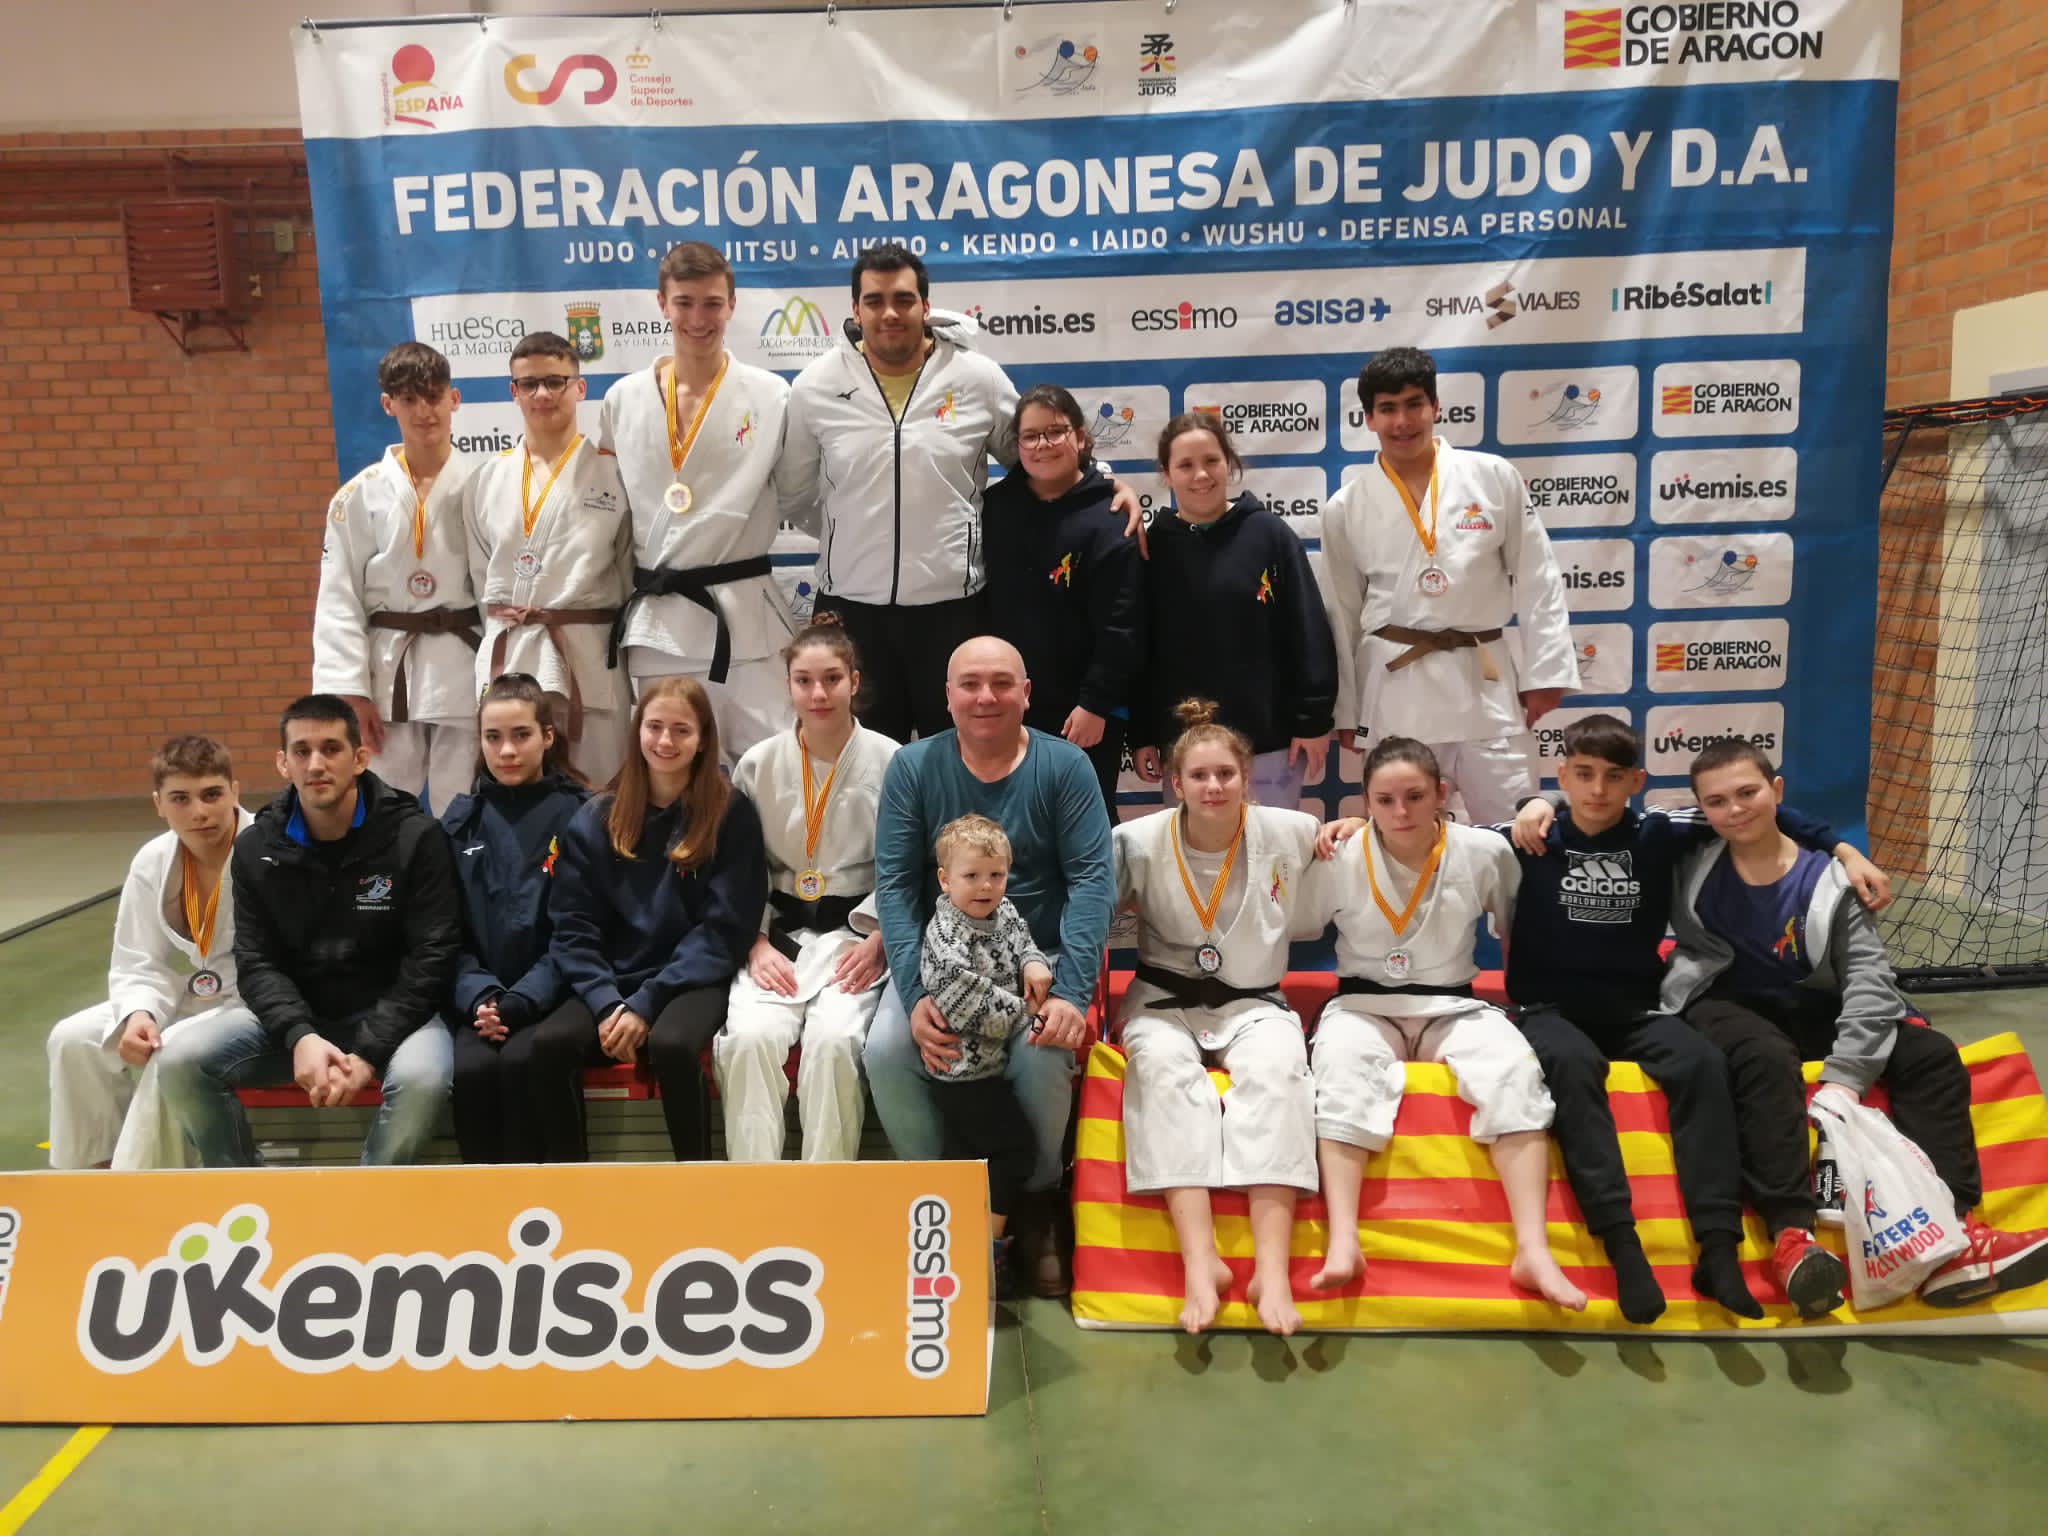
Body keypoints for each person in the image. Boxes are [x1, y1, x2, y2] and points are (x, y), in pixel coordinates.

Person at [1502, 713, 1891, 1323]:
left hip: (1635, 1007)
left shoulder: (1660, 831)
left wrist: (1841, 846)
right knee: (1575, 1070)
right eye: (1581, 775)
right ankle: (1625, 1250)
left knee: (1705, 1064)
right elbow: (1427, 832)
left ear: (1636, 781)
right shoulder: (1527, 836)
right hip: (1547, 1008)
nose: (1596, 790)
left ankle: (1718, 1250)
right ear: (1562, 775)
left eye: (1611, 777)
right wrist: (1534, 805)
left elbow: (1754, 813)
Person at [1667, 739, 2048, 1313]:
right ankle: (1792, 1237)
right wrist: (1535, 810)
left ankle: (1959, 1234)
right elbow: (1597, 813)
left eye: (1748, 793)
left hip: (1809, 1005)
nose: (1735, 810)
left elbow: (1870, 981)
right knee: (1765, 1059)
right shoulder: (1688, 853)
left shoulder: (1833, 882)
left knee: (1932, 1054)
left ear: (1777, 791)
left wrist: (1845, 1079)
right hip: (1720, 1001)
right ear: (1701, 809)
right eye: (1717, 801)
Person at [779, 244, 1138, 742]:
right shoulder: (815, 386)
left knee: (960, 761)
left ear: (925, 307)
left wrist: (1106, 484)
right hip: (852, 611)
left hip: (953, 610)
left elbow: (1040, 456)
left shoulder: (977, 378)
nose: (889, 313)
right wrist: (855, 536)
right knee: (855, 764)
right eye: (875, 300)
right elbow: (796, 495)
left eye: (903, 299)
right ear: (855, 310)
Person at [1298, 736, 1585, 1310]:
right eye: (1383, 800)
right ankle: (1344, 1240)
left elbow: (1513, 933)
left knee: (1513, 1072)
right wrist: (1331, 836)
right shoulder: (1340, 855)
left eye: (1414, 796)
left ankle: (1534, 1248)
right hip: (1362, 1004)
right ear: (1364, 802)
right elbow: (1300, 922)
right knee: (1339, 1074)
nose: (1399, 812)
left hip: (1454, 1003)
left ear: (1442, 794)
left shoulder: (1483, 851)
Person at [868, 635, 1116, 1296]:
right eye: (970, 684)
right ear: (946, 696)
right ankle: (944, 1204)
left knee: (1039, 1053)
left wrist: (1069, 992)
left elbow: (1093, 881)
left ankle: (1035, 1209)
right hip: (944, 960)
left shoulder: (1065, 768)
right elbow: (893, 886)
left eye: (1002, 683)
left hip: (1041, 962)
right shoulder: (914, 768)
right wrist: (916, 993)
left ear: (1027, 693)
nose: (986, 697)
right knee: (890, 1048)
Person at [156, 696, 460, 1166]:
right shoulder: (257, 848)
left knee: (422, 1080)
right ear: (283, 763)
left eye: (331, 748)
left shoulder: (415, 838)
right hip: (303, 1023)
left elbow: (432, 959)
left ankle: (365, 1201)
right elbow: (256, 962)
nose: (316, 764)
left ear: (360, 758)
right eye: (301, 751)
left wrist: (367, 1052)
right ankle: (245, 1192)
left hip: (397, 1018)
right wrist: (300, 1036)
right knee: (181, 1062)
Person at [1114, 700, 1323, 1335]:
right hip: (1162, 1001)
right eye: (1199, 776)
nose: (1213, 787)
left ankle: (1273, 1270)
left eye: (1225, 775)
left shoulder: (1294, 831)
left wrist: (1350, 832)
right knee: (1161, 1076)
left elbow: (1383, 846)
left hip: (1257, 1002)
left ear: (1246, 777)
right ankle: (1201, 1266)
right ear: (1173, 783)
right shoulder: (1137, 841)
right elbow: (1086, 918)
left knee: (1281, 1075)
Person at [1320, 346, 1579, 824]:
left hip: (1485, 681)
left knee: (1514, 830)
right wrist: (1346, 710)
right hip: (1395, 689)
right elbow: (1341, 611)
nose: (1403, 420)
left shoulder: (1493, 478)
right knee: (1405, 834)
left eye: (1414, 404)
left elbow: (1538, 577)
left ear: (1436, 407)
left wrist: (1547, 673)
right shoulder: (1346, 506)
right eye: (1388, 408)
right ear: (1369, 418)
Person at [542, 676, 767, 1160]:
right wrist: (606, 1003)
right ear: (637, 731)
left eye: (681, 730)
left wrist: (647, 1003)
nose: (666, 742)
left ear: (704, 738)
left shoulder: (730, 813)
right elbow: (573, 926)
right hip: (614, 978)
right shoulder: (596, 816)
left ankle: (696, 1182)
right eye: (655, 727)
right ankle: (571, 1192)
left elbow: (725, 928)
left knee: (674, 1045)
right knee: (549, 1044)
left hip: (690, 979)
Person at [600, 241, 799, 762]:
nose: (698, 317)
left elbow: (800, 493)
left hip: (747, 622)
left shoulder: (771, 395)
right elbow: (608, 517)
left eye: (712, 303)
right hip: (660, 628)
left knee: (767, 767)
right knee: (669, 778)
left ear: (732, 305)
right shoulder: (622, 399)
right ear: (661, 304)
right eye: (684, 302)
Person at [719, 617, 897, 1162]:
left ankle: (826, 1195)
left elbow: (907, 864)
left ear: (854, 682)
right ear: (789, 685)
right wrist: (752, 941)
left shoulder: (891, 761)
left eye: (832, 679)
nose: (818, 693)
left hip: (855, 937)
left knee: (835, 1043)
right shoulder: (758, 764)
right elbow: (735, 868)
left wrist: (882, 937)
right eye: (804, 680)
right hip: (777, 937)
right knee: (748, 1042)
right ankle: (755, 1194)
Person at [45, 734, 253, 1170]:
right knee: (72, 1039)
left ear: (235, 791)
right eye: (181, 798)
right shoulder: (152, 860)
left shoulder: (267, 849)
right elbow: (138, 960)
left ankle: (142, 1185)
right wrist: (140, 1015)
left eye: (211, 794)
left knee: (170, 1051)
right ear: (158, 803)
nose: (198, 811)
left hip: (250, 1002)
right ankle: (87, 1173)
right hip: (189, 996)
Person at [1133, 413, 1338, 812]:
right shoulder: (1150, 548)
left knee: (1274, 862)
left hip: (1269, 741)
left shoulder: (1269, 535)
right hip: (1184, 748)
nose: (1201, 475)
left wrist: (1313, 720)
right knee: (1195, 865)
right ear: (1166, 473)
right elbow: (1140, 650)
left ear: (1229, 462)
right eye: (1185, 465)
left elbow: (1307, 630)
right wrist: (1142, 731)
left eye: (1211, 461)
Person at [312, 341, 481, 809]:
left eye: (433, 396)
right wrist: (350, 689)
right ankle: (386, 884)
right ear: (389, 405)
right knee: (383, 805)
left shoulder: (486, 484)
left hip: (464, 666)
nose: (424, 411)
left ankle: (458, 884)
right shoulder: (357, 497)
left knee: (462, 806)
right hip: (389, 673)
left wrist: (500, 679)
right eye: (409, 399)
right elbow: (338, 598)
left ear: (454, 399)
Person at [465, 331, 634, 788]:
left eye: (556, 381)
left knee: (598, 793)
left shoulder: (613, 472)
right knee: (513, 789)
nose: (542, 394)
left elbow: (626, 568)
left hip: (588, 654)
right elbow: (482, 574)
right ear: (513, 392)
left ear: (580, 388)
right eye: (528, 383)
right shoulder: (487, 477)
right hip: (511, 654)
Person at [439, 675, 590, 1163]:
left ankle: (565, 1209)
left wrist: (524, 998)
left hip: (554, 996)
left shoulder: (583, 818)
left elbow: (581, 930)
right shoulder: (459, 825)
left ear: (548, 736)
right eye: (493, 737)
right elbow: (443, 933)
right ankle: (486, 1224)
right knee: (474, 1071)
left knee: (529, 1062)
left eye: (521, 735)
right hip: (482, 1004)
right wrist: (479, 996)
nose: (507, 750)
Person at [982, 384, 1143, 818]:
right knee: (1008, 826)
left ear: (1081, 437)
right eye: (1031, 436)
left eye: (1056, 432)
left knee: (1084, 825)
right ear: (1016, 446)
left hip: (1084, 711)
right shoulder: (993, 508)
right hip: (1007, 704)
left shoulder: (1110, 515)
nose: (1043, 445)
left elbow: (1122, 624)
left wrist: (1095, 704)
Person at [919, 813, 1053, 1297]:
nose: (985, 886)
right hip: (961, 1076)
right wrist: (1026, 1013)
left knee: (966, 1159)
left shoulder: (1004, 910)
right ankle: (986, 1252)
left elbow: (1021, 940)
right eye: (971, 876)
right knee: (1015, 1148)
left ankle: (954, 1252)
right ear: (945, 879)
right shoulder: (945, 937)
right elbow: (964, 1003)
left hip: (988, 1068)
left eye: (995, 875)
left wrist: (1034, 961)